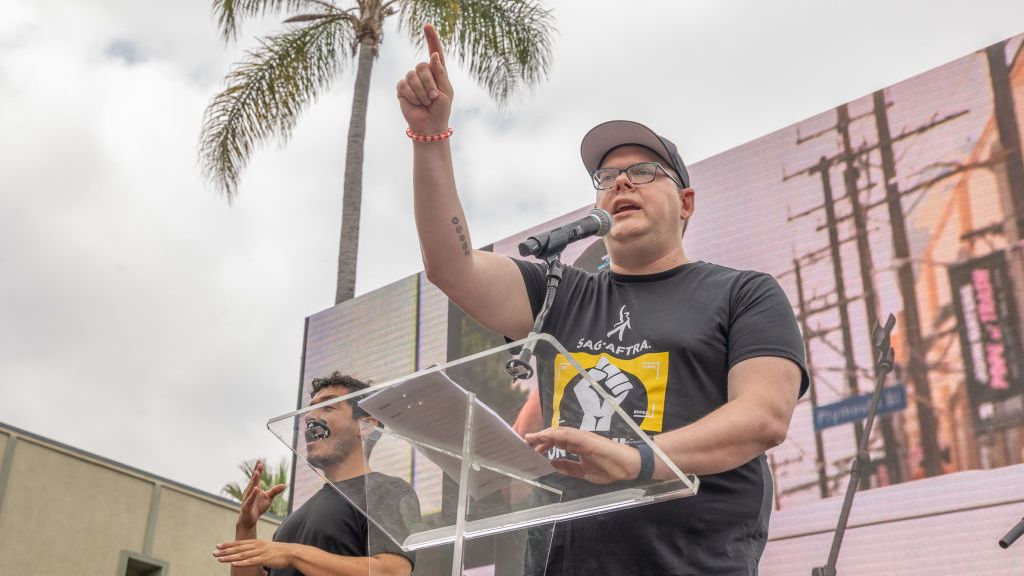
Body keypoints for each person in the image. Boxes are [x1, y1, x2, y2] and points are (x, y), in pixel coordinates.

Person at [399, 25, 807, 575]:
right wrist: (430, 137)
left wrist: (639, 459)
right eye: (607, 176)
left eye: (644, 173)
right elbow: (452, 267)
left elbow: (763, 417)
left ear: (686, 202)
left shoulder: (744, 293)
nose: (622, 183)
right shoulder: (558, 293)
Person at [214, 373, 420, 576]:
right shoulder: (294, 520)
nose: (309, 417)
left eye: (328, 406)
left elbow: (391, 572)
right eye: (310, 410)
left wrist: (294, 553)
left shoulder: (386, 490)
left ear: (366, 427)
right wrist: (246, 526)